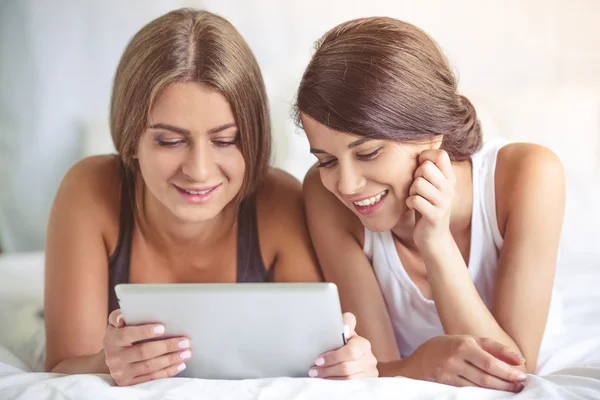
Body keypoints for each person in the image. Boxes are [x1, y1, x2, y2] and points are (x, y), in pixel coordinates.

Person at [44, 8, 377, 386]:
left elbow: (322, 356)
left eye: (225, 140)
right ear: (131, 139)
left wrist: (350, 359)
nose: (199, 170)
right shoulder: (90, 191)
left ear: (252, 137)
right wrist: (105, 363)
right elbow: (61, 366)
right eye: (169, 141)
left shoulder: (279, 202)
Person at [297, 17, 565, 393]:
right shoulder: (325, 197)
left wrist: (436, 241)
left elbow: (511, 370)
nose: (346, 184)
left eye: (369, 152)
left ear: (431, 131)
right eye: (326, 160)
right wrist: (422, 365)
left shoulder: (529, 175)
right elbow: (374, 368)